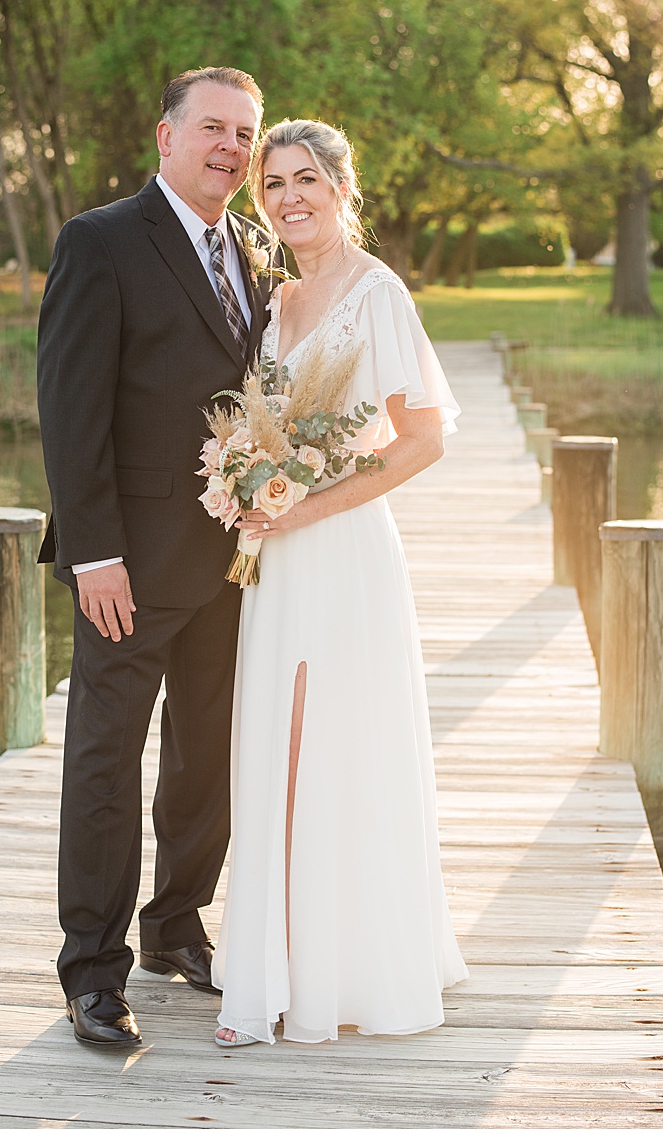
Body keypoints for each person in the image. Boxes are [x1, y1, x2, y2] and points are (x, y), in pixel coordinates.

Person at [37, 67, 279, 1047]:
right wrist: (93, 551)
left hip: (234, 562)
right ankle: (94, 968)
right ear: (167, 134)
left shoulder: (256, 250)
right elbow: (70, 406)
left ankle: (177, 924)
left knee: (206, 753)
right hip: (127, 566)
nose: (230, 145)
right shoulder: (100, 241)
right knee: (105, 758)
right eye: (213, 127)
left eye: (244, 133)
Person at [212, 119, 467, 1046]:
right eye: (273, 184)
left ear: (343, 185)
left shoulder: (377, 295)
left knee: (334, 751)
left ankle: (337, 972)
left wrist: (310, 506)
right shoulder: (277, 301)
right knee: (275, 751)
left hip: (343, 550)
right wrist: (246, 480)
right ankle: (271, 967)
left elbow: (424, 438)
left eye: (306, 179)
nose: (289, 198)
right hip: (276, 560)